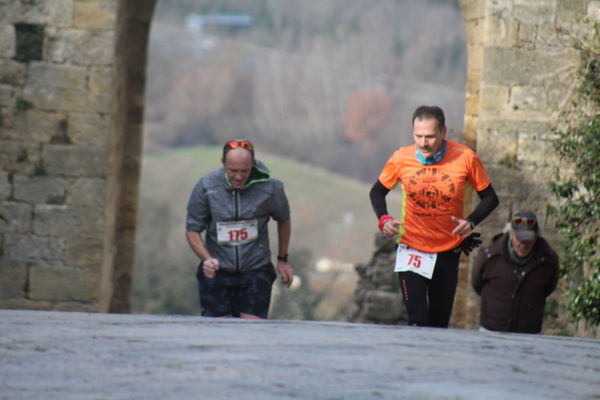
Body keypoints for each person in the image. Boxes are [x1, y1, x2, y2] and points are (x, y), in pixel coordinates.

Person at [369, 105, 499, 327]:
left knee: (438, 323)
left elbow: (490, 198)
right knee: (417, 320)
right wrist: (384, 219)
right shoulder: (401, 158)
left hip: (447, 250)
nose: (423, 143)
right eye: (418, 136)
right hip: (412, 246)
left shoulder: (465, 157)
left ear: (443, 132)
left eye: (430, 136)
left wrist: (470, 222)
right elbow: (377, 191)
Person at [185, 139, 294, 319]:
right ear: (223, 163)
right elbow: (192, 229)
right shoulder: (206, 186)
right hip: (218, 270)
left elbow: (284, 219)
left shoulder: (271, 188)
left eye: (244, 171)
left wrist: (282, 259)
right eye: (233, 171)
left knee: (251, 333)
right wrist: (207, 259)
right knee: (219, 334)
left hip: (255, 268)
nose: (238, 176)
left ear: (252, 164)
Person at [471, 211, 559, 333]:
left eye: (528, 240)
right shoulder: (489, 255)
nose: (523, 244)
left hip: (528, 332)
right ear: (511, 234)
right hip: (491, 329)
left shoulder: (548, 260)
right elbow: (476, 283)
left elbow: (550, 287)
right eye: (520, 239)